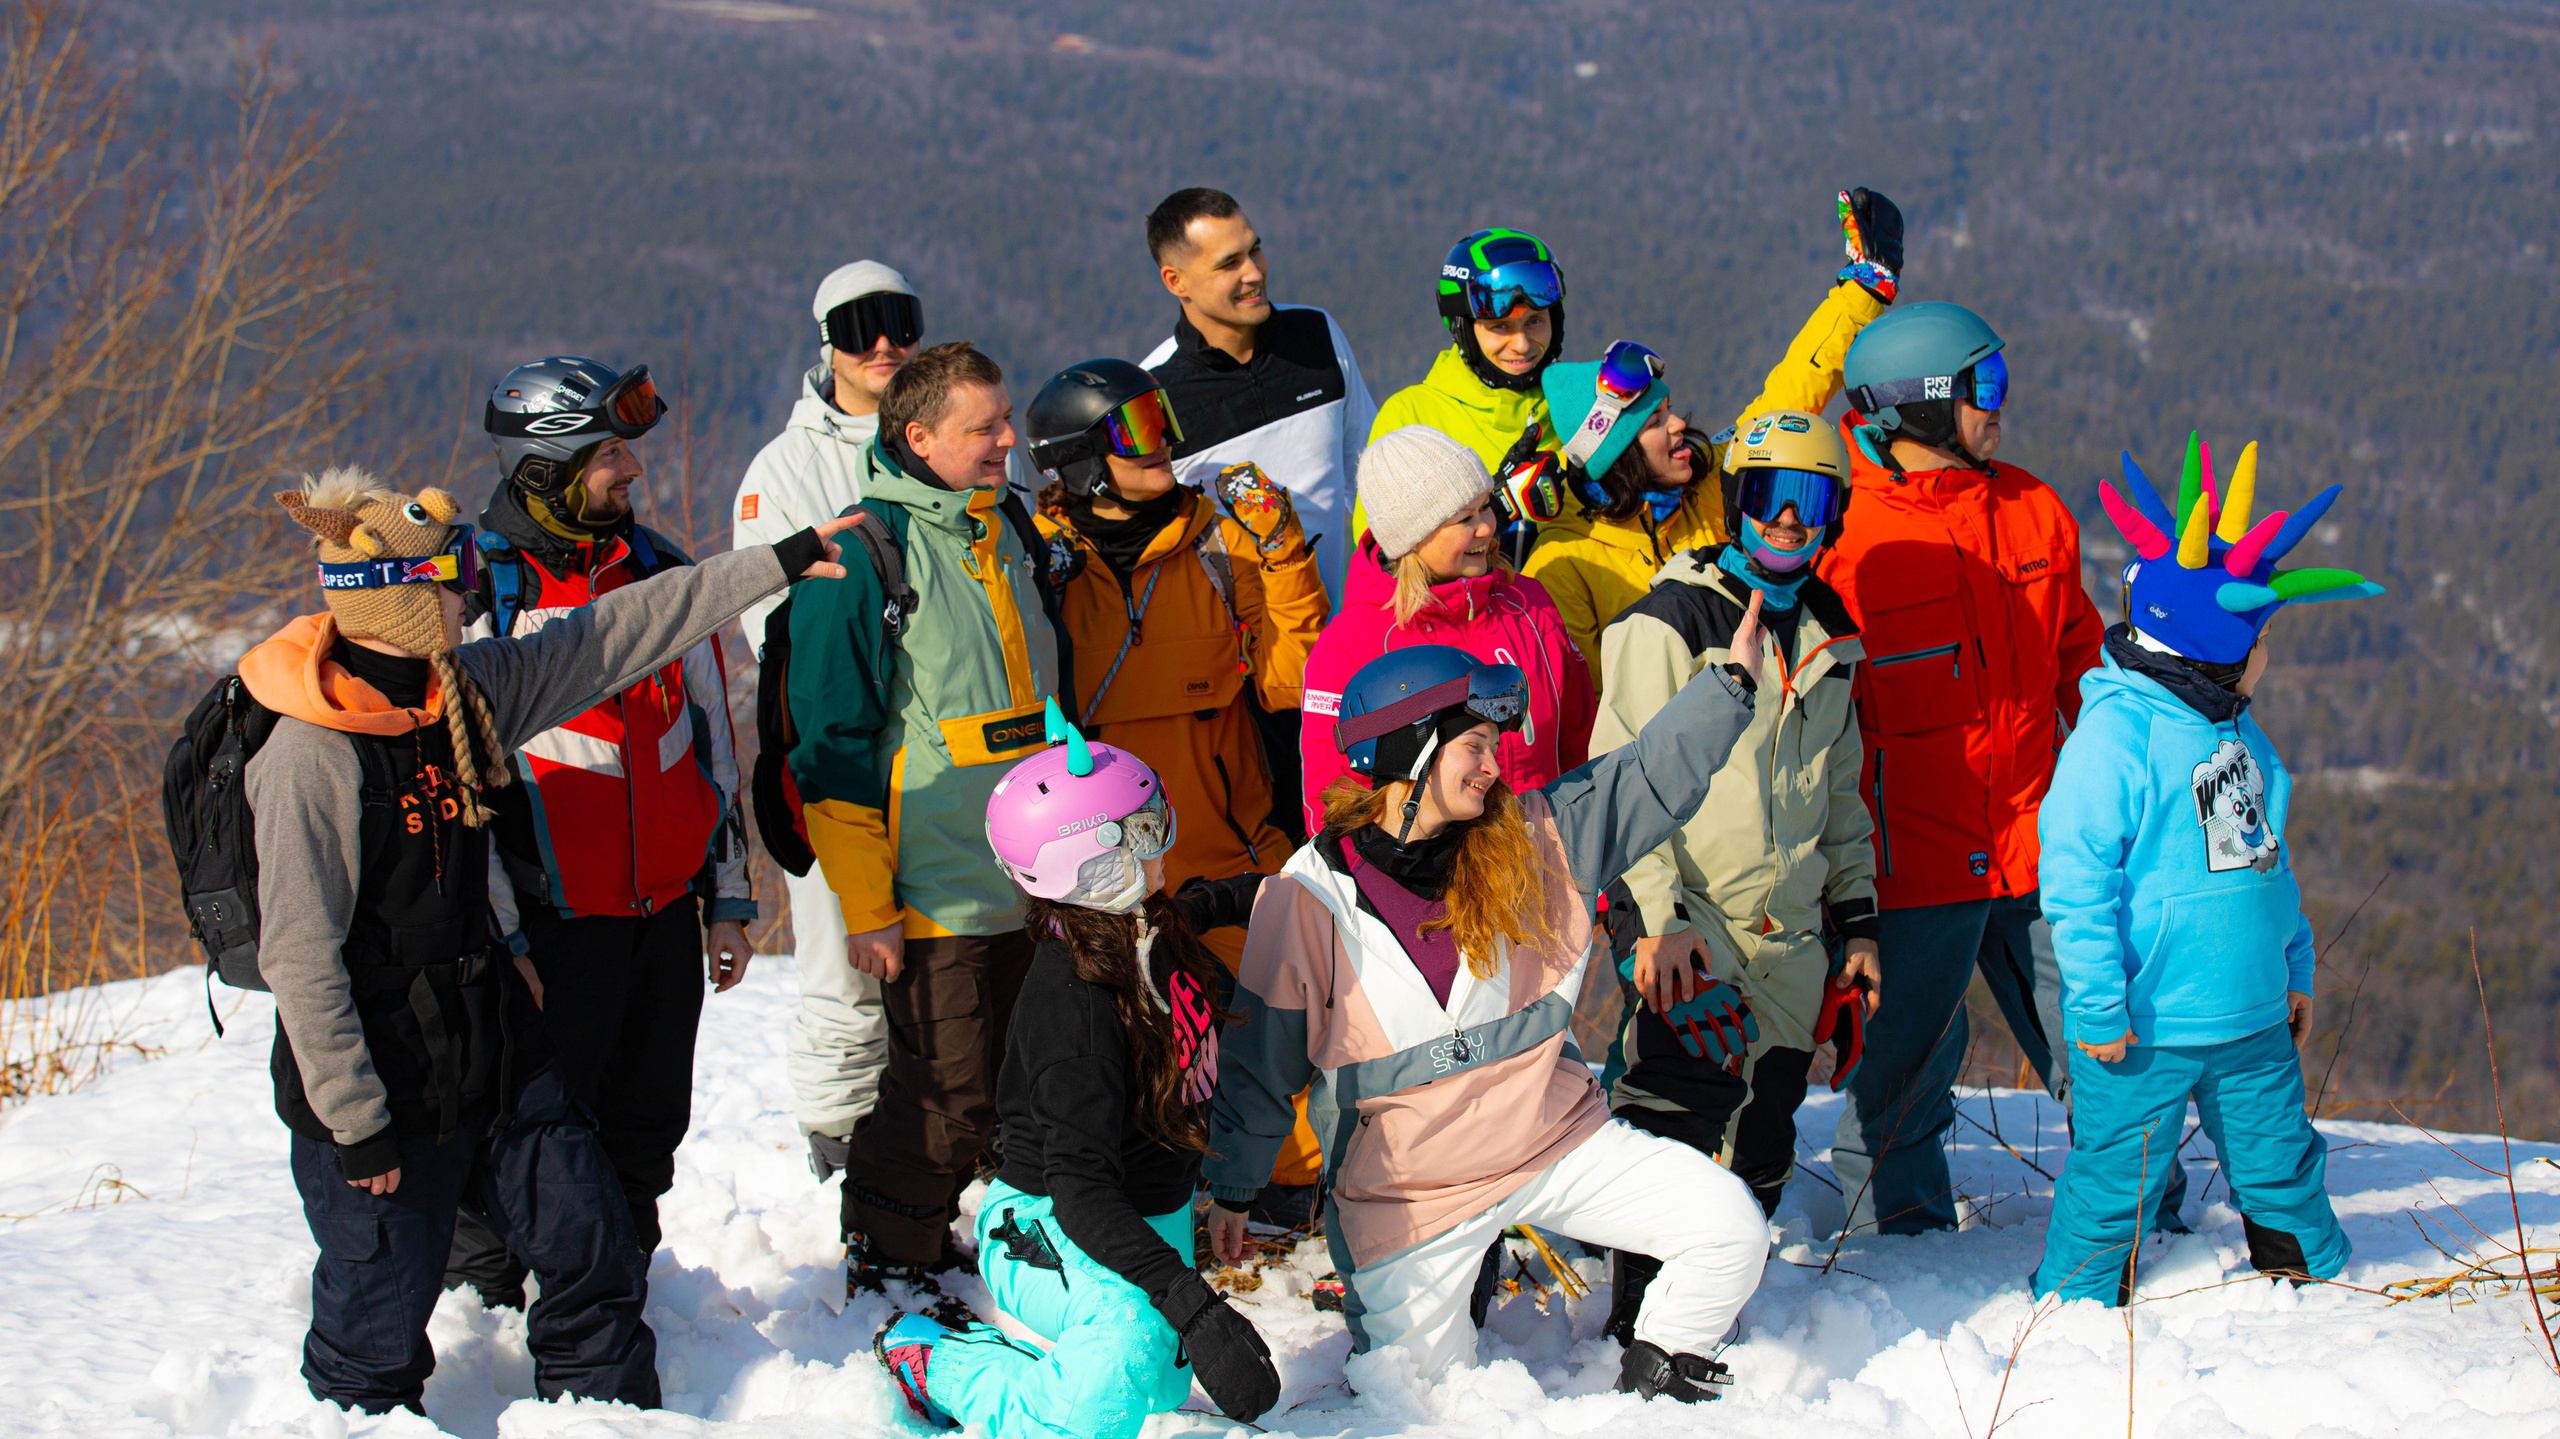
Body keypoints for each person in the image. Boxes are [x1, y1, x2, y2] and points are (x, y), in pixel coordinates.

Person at [244, 467, 854, 1413]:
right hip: (379, 1076)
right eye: (452, 577)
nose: (471, 590)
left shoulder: (468, 692)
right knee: (377, 1321)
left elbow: (622, 631)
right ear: (404, 602)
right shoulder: (311, 756)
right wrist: (354, 1120)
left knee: (590, 1250)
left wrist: (775, 561)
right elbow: (299, 959)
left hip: (490, 1040)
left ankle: (607, 1421)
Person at [1203, 635, 1771, 1400]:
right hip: (1413, 1195)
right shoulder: (1309, 897)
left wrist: (1728, 684)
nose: (1495, 766)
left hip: (1553, 1141)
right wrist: (1235, 1185)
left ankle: (1658, 1373)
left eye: (1494, 746)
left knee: (1730, 1227)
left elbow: (1643, 776)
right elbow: (1260, 1064)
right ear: (1411, 748)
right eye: (1475, 746)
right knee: (1416, 1399)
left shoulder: (1536, 840)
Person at [2032, 436, 2377, 1303]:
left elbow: (2266, 865)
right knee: (2116, 1183)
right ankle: (2073, 1314)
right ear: (2219, 650)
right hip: (2144, 1026)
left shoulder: (2239, 734)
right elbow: (2076, 887)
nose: (2270, 656)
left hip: (2253, 1017)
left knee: (2282, 1164)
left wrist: (2293, 966)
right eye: (2261, 640)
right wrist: (2099, 1006)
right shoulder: (2116, 738)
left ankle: (2317, 1292)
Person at [438, 359, 753, 1307]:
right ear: (547, 464)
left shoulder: (658, 568)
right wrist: (502, 935)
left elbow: (711, 740)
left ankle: (620, 1291)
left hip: (660, 910)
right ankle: (482, 1307)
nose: (633, 469)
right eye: (611, 451)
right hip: (546, 922)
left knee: (646, 1122)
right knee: (529, 1130)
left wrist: (728, 899)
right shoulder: (477, 585)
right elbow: (461, 788)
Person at [874, 706, 1281, 1437]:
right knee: (1102, 1397)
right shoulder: (1076, 1010)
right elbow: (1082, 1191)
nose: (1165, 845)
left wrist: (1263, 891)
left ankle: (1089, 1351)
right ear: (1094, 864)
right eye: (1147, 830)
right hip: (1048, 1222)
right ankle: (938, 1361)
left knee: (1155, 1382)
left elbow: (1189, 905)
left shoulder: (1139, 928)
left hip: (1136, 1212)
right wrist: (1190, 1300)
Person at [1586, 409, 1882, 1338]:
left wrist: (1858, 920)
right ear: (1736, 501)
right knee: (1672, 1124)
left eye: (1810, 501)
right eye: (1768, 497)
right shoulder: (1671, 620)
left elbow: (1841, 792)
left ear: (1832, 514)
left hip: (1790, 936)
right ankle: (1638, 1326)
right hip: (1696, 920)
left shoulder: (1830, 635)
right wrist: (1653, 924)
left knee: (1765, 1133)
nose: (1788, 522)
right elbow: (1622, 779)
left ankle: (1715, 1323)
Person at [1816, 301, 2108, 1237]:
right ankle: (1900, 1248)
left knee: (2098, 1041)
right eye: (1985, 387)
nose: (2002, 405)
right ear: (1921, 405)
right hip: (1915, 867)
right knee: (1900, 1076)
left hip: (2039, 841)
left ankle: (2144, 1216)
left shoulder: (2031, 508)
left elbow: (2083, 664)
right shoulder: (1847, 538)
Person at [783, 340, 1066, 1299]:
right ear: (917, 437)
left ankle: (965, 1238)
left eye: (1006, 419)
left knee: (1020, 1078)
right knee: (946, 1092)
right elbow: (829, 744)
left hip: (1035, 876)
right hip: (935, 881)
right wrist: (866, 904)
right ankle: (887, 1248)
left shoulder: (1009, 531)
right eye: (982, 427)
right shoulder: (861, 554)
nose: (1006, 440)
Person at [1021, 358, 1332, 1222]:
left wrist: (1282, 550)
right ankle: (1138, 1199)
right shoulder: (1042, 560)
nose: (1168, 449)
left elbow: (1294, 682)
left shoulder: (1218, 540)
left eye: (1165, 424)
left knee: (1273, 1025)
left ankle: (1283, 1188)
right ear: (1082, 458)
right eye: (1139, 434)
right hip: (1105, 868)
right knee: (1123, 1044)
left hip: (1226, 845)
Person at [1524, 188, 1904, 691]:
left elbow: (1792, 394)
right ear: (1612, 455)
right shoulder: (1564, 565)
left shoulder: (1711, 483)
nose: (1678, 424)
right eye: (1655, 423)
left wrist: (1865, 293)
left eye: (1669, 410)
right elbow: (1583, 703)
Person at [734, 261, 921, 1181]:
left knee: (942, 954)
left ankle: (942, 1133)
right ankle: (842, 1134)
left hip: (935, 754)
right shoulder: (786, 467)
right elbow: (764, 611)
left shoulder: (945, 428)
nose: (882, 343)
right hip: (833, 747)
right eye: (858, 327)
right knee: (843, 954)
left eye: (898, 320)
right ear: (828, 346)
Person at [1300, 426, 1594, 837]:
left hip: (1557, 863)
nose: (1488, 527)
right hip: (1439, 889)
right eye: (1464, 519)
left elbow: (1581, 738)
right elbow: (1332, 798)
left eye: (1486, 507)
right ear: (1412, 539)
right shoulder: (1352, 645)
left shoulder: (1529, 604)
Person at [1141, 187, 1376, 600]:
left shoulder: (1317, 334)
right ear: (1176, 281)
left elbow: (1369, 474)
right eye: (1229, 264)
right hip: (1236, 655)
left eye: (1255, 250)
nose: (1254, 272)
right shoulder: (1153, 392)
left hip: (1342, 637)